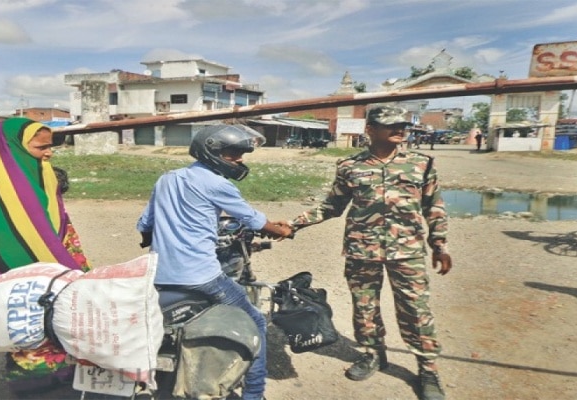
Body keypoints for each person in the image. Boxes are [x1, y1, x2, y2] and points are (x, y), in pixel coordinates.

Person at [283, 105, 452, 400]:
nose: (400, 129)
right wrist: (293, 225)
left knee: (416, 310)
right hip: (363, 249)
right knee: (365, 307)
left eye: (402, 124)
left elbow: (433, 207)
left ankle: (427, 369)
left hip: (407, 251)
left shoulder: (421, 163)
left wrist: (439, 244)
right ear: (370, 130)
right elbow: (331, 207)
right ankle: (374, 354)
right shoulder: (350, 166)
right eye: (390, 125)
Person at [136, 124, 293, 400]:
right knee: (255, 321)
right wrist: (283, 230)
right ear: (212, 152)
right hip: (202, 278)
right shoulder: (219, 184)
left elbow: (145, 224)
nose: (240, 160)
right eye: (234, 154)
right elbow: (254, 220)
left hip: (158, 275)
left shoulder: (166, 179)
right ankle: (254, 394)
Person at [0, 117, 90, 392]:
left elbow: (61, 226)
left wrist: (75, 270)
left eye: (50, 147)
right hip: (16, 281)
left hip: (54, 273)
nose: (49, 153)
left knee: (59, 331)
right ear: (14, 148)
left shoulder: (45, 175)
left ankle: (58, 381)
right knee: (27, 335)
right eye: (41, 147)